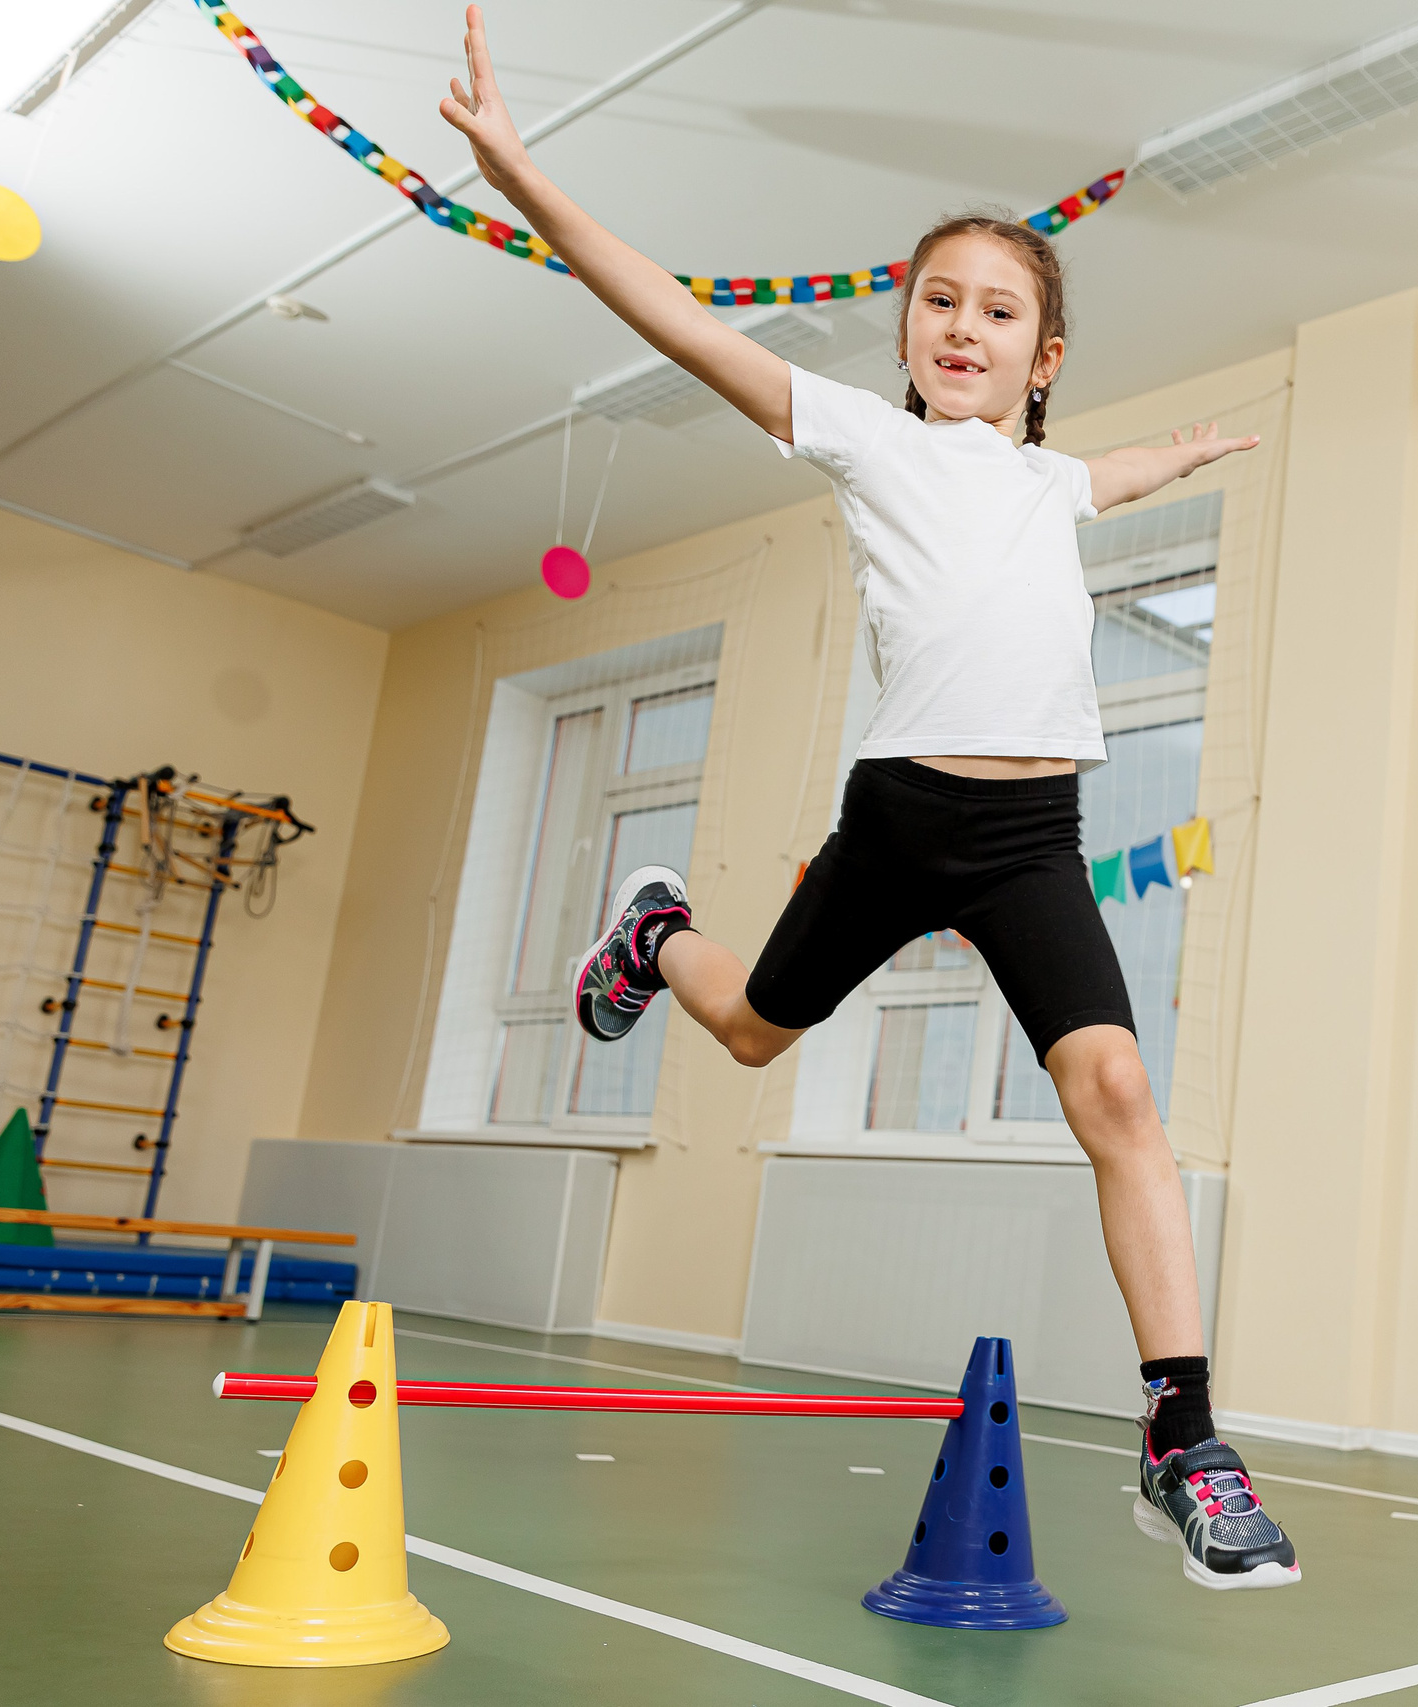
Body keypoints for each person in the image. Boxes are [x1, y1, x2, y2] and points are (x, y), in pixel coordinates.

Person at [438, 6, 1297, 1591]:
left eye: (1000, 313)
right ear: (905, 334)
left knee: (1119, 1098)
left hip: (1036, 836)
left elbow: (1102, 477)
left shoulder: (1050, 477)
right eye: (938, 304)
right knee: (758, 1028)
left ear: (1045, 359)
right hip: (904, 817)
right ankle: (655, 934)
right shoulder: (863, 440)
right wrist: (524, 176)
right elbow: (677, 323)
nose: (961, 328)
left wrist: (1176, 450)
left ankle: (1183, 1435)